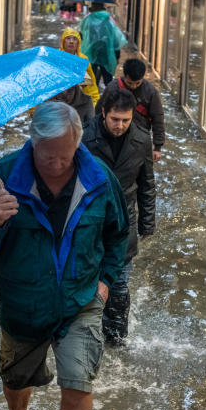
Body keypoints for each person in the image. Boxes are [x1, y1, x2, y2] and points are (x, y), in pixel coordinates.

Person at [0, 102, 129, 410]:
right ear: (32, 143)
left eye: (65, 155)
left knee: (78, 382)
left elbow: (118, 233)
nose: (56, 164)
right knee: (16, 378)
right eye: (47, 155)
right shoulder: (2, 177)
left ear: (78, 143)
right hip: (24, 304)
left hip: (81, 301)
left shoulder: (100, 179)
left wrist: (105, 282)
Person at [82, 89, 155, 345]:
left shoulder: (142, 139)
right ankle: (86, 334)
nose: (120, 125)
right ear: (103, 112)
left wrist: (148, 222)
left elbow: (147, 183)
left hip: (125, 220)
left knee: (120, 284)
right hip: (90, 219)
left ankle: (115, 338)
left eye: (125, 120)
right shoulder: (84, 136)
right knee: (87, 280)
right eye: (115, 119)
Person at [95, 59, 165, 161]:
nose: (133, 86)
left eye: (137, 83)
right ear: (124, 75)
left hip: (138, 138)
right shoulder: (112, 88)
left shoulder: (151, 92)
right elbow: (98, 112)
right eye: (130, 83)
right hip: (113, 136)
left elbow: (158, 118)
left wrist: (157, 146)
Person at [78, 2, 127, 87]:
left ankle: (92, 97)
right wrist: (117, 56)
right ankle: (108, 97)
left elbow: (80, 36)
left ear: (92, 9)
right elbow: (116, 41)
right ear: (104, 9)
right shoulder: (109, 21)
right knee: (108, 81)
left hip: (90, 53)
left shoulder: (86, 20)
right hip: (106, 54)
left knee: (89, 81)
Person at [60, 27, 100, 105]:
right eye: (68, 38)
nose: (71, 42)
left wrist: (94, 102)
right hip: (60, 99)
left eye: (75, 39)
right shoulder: (56, 58)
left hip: (77, 100)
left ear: (78, 43)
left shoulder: (82, 60)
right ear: (63, 41)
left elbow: (90, 85)